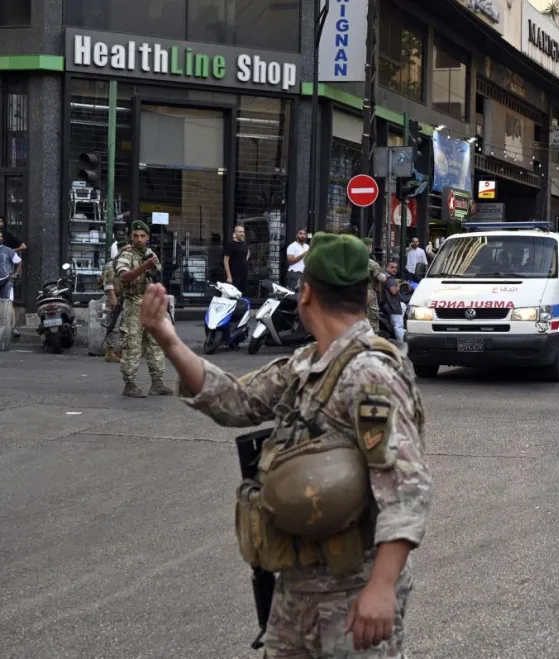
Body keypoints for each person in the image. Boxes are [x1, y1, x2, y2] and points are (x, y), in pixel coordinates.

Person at [138, 232, 432, 657]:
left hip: (352, 592)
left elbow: (406, 488)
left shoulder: (371, 373)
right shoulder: (309, 362)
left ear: (307, 291)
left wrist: (382, 587)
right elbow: (237, 402)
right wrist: (168, 338)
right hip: (296, 587)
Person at [115, 221, 172, 398]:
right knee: (132, 345)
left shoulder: (150, 254)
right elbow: (124, 277)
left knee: (156, 345)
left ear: (147, 238)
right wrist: (144, 267)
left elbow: (157, 274)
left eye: (142, 236)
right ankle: (130, 384)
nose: (139, 239)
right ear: (131, 238)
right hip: (133, 304)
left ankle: (157, 383)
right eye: (136, 236)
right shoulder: (126, 255)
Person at [364, 238, 388, 335]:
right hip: (369, 292)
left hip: (353, 293)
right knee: (373, 316)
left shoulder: (351, 262)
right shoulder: (372, 264)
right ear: (368, 247)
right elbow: (381, 278)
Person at [382, 260, 405, 341]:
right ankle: (402, 344)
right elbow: (394, 291)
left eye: (396, 268)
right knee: (398, 326)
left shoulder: (386, 277)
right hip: (392, 306)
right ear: (387, 268)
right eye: (392, 267)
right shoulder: (389, 279)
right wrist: (398, 286)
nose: (394, 269)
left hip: (390, 306)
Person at [224, 225, 250, 294]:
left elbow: (248, 252)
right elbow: (225, 260)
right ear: (235, 233)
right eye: (240, 232)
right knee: (234, 295)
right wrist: (229, 276)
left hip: (244, 274)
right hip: (234, 275)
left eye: (243, 232)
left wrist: (245, 260)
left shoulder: (244, 243)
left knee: (242, 295)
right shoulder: (231, 244)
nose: (242, 233)